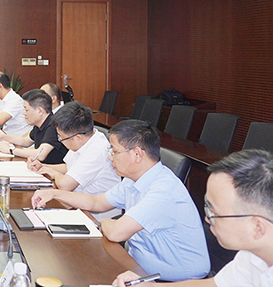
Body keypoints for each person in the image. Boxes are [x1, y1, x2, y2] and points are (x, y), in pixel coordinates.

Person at [31, 119, 209, 281]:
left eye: (114, 151)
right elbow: (96, 202)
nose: (110, 157)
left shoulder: (163, 190)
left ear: (137, 154)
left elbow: (116, 233)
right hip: (135, 265)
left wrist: (105, 222)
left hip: (173, 281)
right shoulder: (133, 179)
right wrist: (54, 194)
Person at [114, 149, 273, 287]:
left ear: (257, 227)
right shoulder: (252, 254)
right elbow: (214, 284)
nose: (207, 220)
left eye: (214, 213)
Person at [27, 101, 120, 219]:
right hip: (76, 205)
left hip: (94, 217)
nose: (59, 140)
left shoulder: (97, 150)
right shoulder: (84, 139)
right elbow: (69, 167)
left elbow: (65, 185)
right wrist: (43, 166)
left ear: (78, 138)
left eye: (61, 137)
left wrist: (54, 173)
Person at [0, 89, 67, 163]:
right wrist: (2, 136)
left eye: (26, 109)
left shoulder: (53, 126)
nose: (24, 113)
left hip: (51, 171)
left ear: (40, 111)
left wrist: (10, 150)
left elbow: (40, 155)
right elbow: (25, 141)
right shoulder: (40, 124)